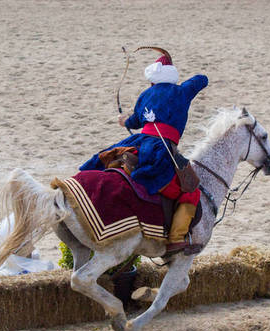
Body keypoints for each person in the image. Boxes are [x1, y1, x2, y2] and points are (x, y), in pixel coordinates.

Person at [80, 54, 208, 253]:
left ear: (152, 80)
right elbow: (203, 79)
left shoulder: (146, 95)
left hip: (139, 142)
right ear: (172, 75)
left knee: (108, 157)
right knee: (191, 190)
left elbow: (134, 122)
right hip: (163, 148)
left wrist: (124, 121)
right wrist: (183, 85)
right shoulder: (182, 91)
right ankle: (175, 239)